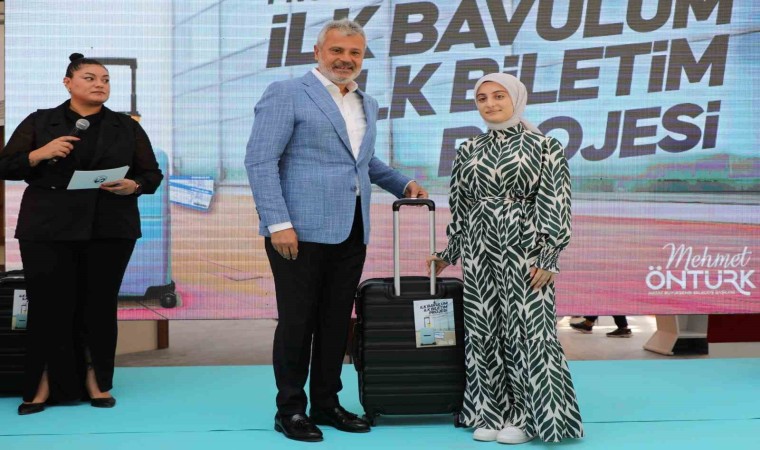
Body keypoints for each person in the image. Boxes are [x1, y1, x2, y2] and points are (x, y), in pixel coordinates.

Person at [244, 19, 427, 443]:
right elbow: (260, 160)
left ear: (363, 57)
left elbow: (361, 161)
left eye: (354, 53)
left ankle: (327, 403)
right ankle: (290, 409)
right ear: (318, 52)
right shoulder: (287, 92)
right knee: (297, 322)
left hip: (352, 227)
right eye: (337, 51)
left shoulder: (367, 102)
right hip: (297, 231)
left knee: (335, 322)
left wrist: (402, 184)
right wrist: (278, 223)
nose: (346, 59)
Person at [0, 53, 163, 415]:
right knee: (48, 305)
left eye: (105, 79)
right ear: (68, 83)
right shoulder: (40, 121)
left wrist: (134, 185)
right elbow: (5, 166)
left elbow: (151, 175)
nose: (100, 84)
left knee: (99, 306)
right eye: (90, 78)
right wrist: (38, 154)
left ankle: (96, 379)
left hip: (110, 227)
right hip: (47, 227)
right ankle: (41, 383)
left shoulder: (126, 126)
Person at [426, 73, 583, 444]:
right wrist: (449, 253)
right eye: (482, 98)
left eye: (499, 96)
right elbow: (460, 205)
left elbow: (556, 202)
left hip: (525, 250)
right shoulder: (468, 148)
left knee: (527, 332)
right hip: (478, 251)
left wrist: (549, 256)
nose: (490, 104)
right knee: (483, 331)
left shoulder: (545, 146)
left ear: (516, 99)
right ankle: (491, 412)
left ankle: (529, 418)